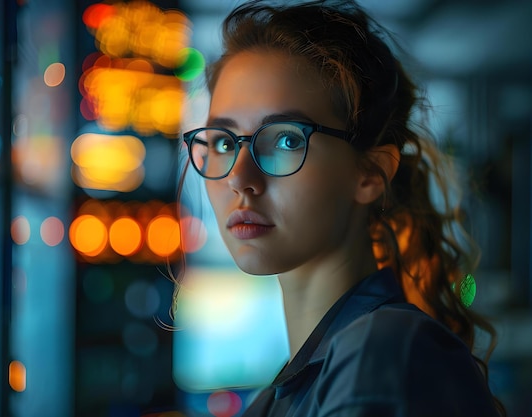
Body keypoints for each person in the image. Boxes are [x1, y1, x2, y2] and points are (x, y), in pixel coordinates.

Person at [179, 1, 504, 415]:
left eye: (286, 140)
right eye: (225, 142)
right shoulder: (282, 394)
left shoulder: (379, 355)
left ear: (369, 173)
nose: (240, 178)